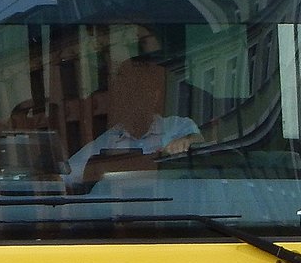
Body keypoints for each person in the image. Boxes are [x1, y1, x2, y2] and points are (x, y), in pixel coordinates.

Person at [64, 57, 201, 183]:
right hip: (123, 209)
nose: (132, 100)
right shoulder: (106, 142)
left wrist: (187, 142)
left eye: (139, 92)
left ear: (154, 96)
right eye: (127, 92)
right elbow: (66, 174)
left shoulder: (179, 126)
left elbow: (203, 146)